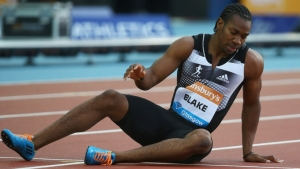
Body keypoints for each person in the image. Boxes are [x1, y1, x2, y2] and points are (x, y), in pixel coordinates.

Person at [1, 3, 283, 165]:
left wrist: (248, 151)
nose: (238, 41)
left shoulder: (250, 62)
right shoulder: (188, 45)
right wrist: (139, 74)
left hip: (189, 141)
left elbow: (252, 105)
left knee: (203, 139)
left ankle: (113, 157)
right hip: (163, 123)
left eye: (244, 37)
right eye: (234, 32)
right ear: (220, 24)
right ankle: (32, 144)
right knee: (110, 97)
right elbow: (150, 80)